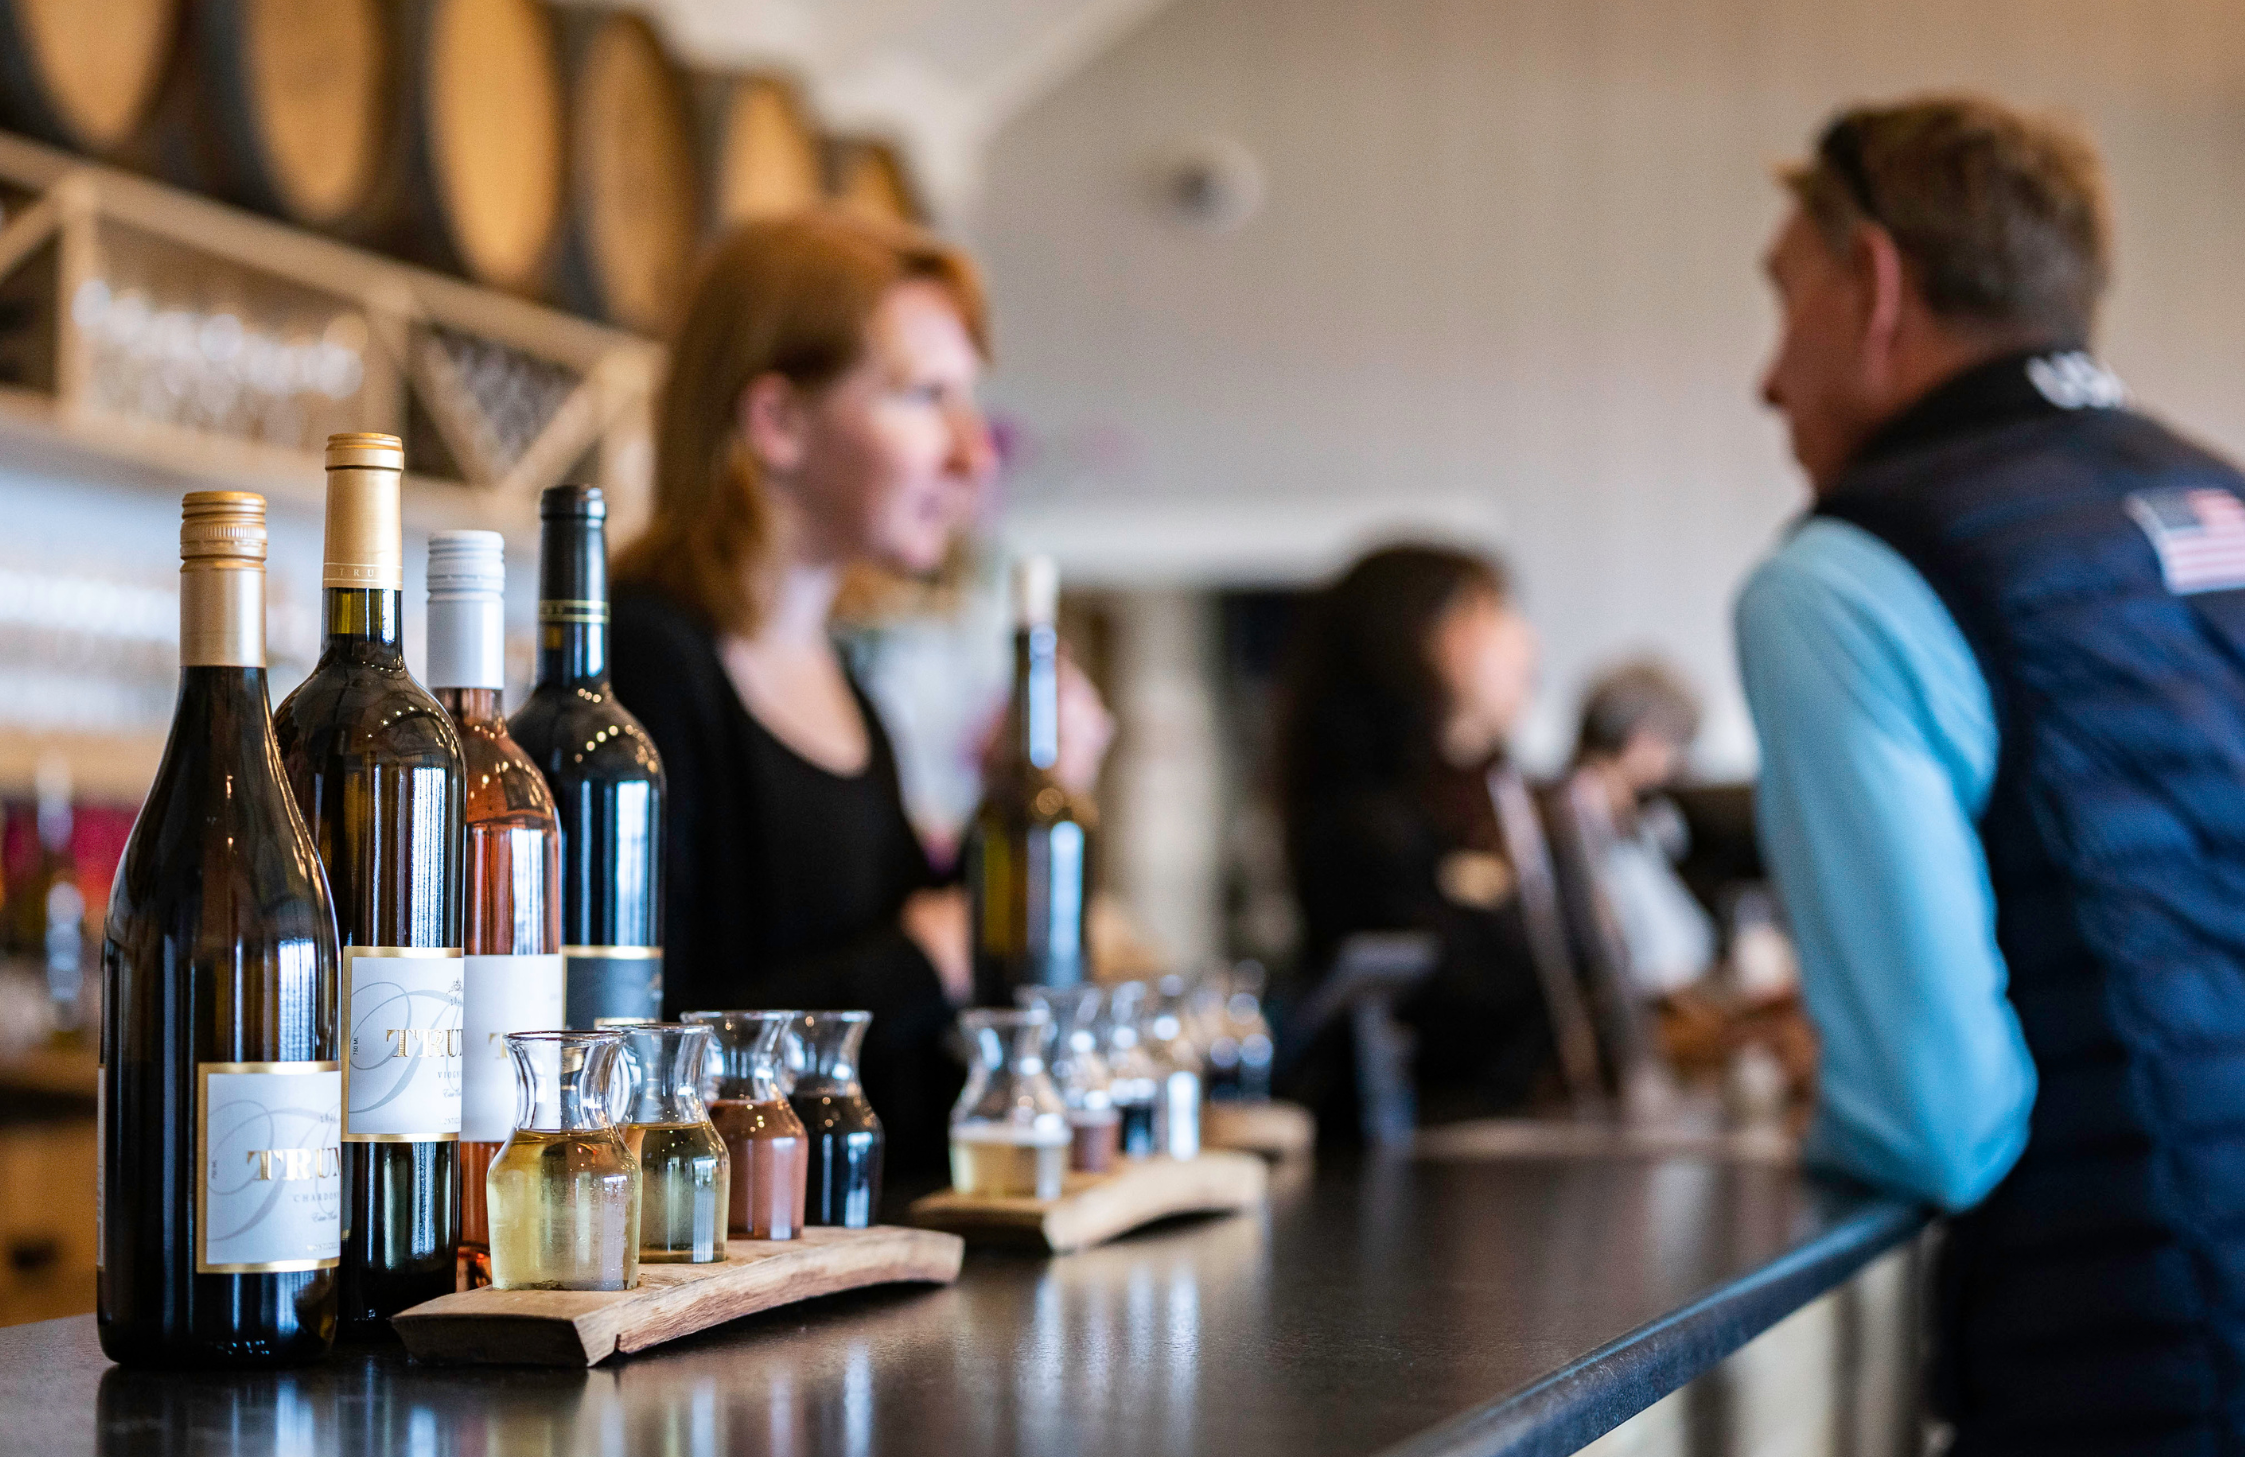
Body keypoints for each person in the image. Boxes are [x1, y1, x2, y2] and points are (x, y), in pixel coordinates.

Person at [1738, 94, 2245, 1447]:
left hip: (2138, 1358)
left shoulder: (1848, 581)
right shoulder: (2222, 502)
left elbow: (1932, 1119)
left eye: (1786, 301)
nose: (1768, 376)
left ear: (1876, 284)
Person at [608, 211, 1100, 1176]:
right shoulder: (644, 663)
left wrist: (1031, 793)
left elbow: (917, 1012)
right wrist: (923, 955)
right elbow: (631, 1050)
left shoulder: (846, 685)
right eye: (925, 396)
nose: (974, 453)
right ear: (778, 422)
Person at [1275, 543, 1555, 1131]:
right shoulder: (1364, 822)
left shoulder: (1491, 800)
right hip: (1421, 1145)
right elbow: (1469, 1010)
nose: (1523, 640)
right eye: (1488, 611)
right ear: (1418, 638)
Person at [1566, 661, 1715, 1000]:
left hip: (1673, 992)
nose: (1676, 760)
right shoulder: (1584, 804)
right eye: (1672, 743)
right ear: (1640, 735)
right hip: (1645, 1000)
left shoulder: (1629, 808)